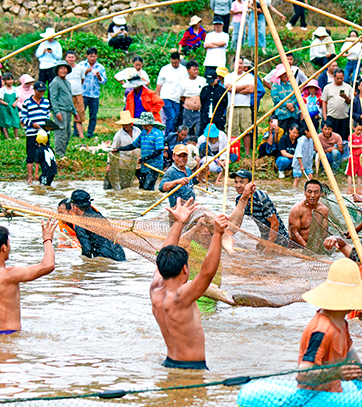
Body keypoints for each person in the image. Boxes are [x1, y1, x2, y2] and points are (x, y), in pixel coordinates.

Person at [151, 198, 227, 370]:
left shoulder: (156, 288)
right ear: (185, 270)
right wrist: (217, 234)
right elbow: (206, 274)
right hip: (191, 369)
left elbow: (162, 255)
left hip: (170, 363)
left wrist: (178, 223)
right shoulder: (181, 296)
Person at [0, 188, 56, 334]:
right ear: (4, 247)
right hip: (9, 339)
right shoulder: (9, 275)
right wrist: (47, 239)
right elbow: (48, 265)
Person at [297, 258, 362, 389]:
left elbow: (353, 360)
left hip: (334, 392)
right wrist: (336, 373)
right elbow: (302, 374)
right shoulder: (321, 330)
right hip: (316, 398)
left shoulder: (342, 323)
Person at [228, 169, 289, 245]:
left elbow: (275, 223)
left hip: (279, 237)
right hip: (265, 236)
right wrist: (228, 237)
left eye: (242, 182)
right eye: (236, 182)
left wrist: (269, 246)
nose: (238, 186)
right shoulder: (240, 200)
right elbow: (237, 221)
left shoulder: (260, 198)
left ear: (250, 183)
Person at [69, 190, 127, 261]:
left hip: (104, 257)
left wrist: (84, 265)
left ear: (75, 208)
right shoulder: (100, 216)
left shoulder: (80, 223)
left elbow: (87, 250)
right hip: (120, 254)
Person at [112, 112, 165, 190]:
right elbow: (133, 145)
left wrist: (144, 158)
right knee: (142, 187)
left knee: (148, 188)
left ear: (148, 124)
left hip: (154, 166)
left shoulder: (157, 133)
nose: (142, 125)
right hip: (144, 166)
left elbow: (159, 151)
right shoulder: (143, 133)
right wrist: (119, 149)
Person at [224, 57, 256, 154]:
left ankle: (247, 152)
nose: (240, 65)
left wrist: (235, 89)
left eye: (241, 63)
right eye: (238, 63)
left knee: (246, 130)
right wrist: (244, 86)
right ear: (233, 64)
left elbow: (251, 90)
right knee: (232, 129)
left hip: (245, 106)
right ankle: (233, 152)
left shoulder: (249, 76)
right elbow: (229, 88)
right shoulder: (228, 76)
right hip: (232, 106)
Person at [289, 179, 330, 247]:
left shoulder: (324, 210)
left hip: (312, 246)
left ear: (320, 194)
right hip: (297, 246)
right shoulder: (296, 209)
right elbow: (294, 233)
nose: (312, 195)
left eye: (316, 192)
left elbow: (324, 233)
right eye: (309, 192)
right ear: (305, 193)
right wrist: (307, 249)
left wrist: (317, 247)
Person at [106, 111, 141, 189]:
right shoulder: (118, 135)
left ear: (131, 123)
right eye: (125, 124)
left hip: (138, 163)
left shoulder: (138, 131)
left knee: (142, 183)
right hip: (125, 164)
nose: (127, 126)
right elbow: (113, 150)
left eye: (128, 124)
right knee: (125, 186)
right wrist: (109, 164)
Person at [78, 47, 106, 138]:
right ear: (87, 56)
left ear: (96, 56)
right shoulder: (81, 65)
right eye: (90, 56)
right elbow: (76, 76)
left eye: (94, 56)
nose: (92, 58)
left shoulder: (100, 67)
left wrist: (99, 76)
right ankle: (77, 131)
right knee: (80, 113)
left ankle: (90, 132)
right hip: (83, 93)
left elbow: (104, 81)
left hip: (94, 94)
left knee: (93, 115)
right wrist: (85, 72)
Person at [49, 61, 74, 158]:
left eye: (65, 68)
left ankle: (63, 152)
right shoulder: (55, 82)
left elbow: (69, 98)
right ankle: (59, 153)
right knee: (61, 132)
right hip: (61, 111)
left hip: (67, 111)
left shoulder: (67, 82)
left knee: (68, 133)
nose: (63, 71)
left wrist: (74, 111)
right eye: (61, 69)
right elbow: (53, 98)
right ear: (57, 70)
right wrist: (57, 111)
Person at [321, 69, 352, 140]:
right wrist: (324, 116)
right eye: (338, 78)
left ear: (344, 77)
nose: (339, 80)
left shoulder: (348, 87)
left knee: (344, 137)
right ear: (334, 77)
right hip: (331, 116)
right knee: (331, 137)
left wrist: (345, 97)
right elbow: (324, 102)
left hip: (344, 117)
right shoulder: (327, 87)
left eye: (341, 78)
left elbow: (351, 102)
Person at [179, 60, 207, 136]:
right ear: (188, 70)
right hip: (188, 110)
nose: (196, 71)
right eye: (194, 70)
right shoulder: (183, 82)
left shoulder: (202, 80)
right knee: (186, 130)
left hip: (199, 111)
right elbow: (181, 97)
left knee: (199, 130)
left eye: (197, 69)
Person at [62, 51, 85, 139]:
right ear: (66, 58)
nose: (71, 59)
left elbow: (82, 80)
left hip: (78, 94)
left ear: (75, 58)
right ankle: (66, 135)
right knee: (66, 115)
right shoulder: (63, 69)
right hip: (67, 95)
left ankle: (81, 135)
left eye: (72, 57)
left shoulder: (80, 68)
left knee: (79, 114)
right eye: (69, 57)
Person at [200, 68, 228, 132]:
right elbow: (202, 102)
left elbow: (224, 103)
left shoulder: (222, 90)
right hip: (205, 116)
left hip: (218, 117)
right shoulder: (205, 89)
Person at [0, 72, 20, 140]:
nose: (10, 81)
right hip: (5, 108)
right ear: (4, 81)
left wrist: (15, 103)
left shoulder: (15, 89)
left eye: (11, 79)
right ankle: (7, 136)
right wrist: (7, 104)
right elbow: (0, 100)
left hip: (13, 107)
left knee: (15, 120)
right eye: (8, 80)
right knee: (5, 121)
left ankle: (16, 136)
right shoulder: (2, 90)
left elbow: (17, 98)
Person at [346, 122, 362, 190]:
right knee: (350, 173)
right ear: (354, 128)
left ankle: (359, 187)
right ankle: (349, 187)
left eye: (361, 130)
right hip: (353, 156)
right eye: (358, 130)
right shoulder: (351, 136)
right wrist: (359, 146)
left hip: (360, 157)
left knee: (360, 173)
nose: (360, 131)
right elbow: (349, 145)